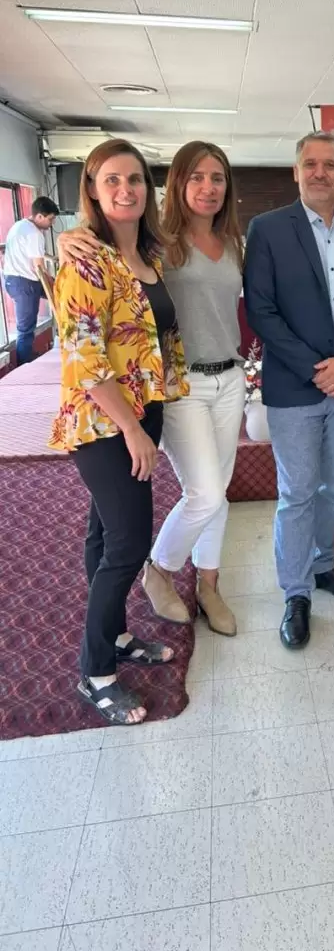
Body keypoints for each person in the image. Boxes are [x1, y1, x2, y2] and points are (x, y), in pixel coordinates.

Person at [58, 142, 246, 636]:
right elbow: (104, 249)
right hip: (182, 383)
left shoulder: (232, 242)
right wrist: (68, 238)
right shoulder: (160, 243)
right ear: (177, 184)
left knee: (219, 493)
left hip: (231, 378)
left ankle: (208, 583)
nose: (208, 187)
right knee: (203, 492)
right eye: (197, 177)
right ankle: (160, 569)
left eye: (218, 178)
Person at [49, 139, 188, 726]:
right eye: (112, 181)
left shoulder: (149, 257)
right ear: (94, 191)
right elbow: (83, 355)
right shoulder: (85, 259)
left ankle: (117, 636)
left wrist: (160, 406)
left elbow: (159, 338)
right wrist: (134, 430)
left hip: (142, 410)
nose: (126, 190)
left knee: (106, 537)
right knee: (129, 543)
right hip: (104, 421)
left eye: (135, 179)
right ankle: (94, 671)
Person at [243, 131, 334, 649]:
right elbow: (262, 310)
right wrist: (315, 369)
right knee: (296, 492)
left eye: (330, 164)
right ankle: (295, 592)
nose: (320, 172)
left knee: (333, 487)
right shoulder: (266, 229)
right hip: (293, 386)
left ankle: (324, 565)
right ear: (296, 171)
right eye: (311, 164)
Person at [2, 195, 59, 364]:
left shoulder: (20, 225)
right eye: (51, 219)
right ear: (40, 216)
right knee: (26, 329)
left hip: (13, 280)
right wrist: (54, 281)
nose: (52, 223)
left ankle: (27, 357)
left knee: (60, 293)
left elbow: (34, 253)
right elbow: (39, 268)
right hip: (25, 283)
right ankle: (24, 365)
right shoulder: (35, 234)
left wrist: (52, 258)